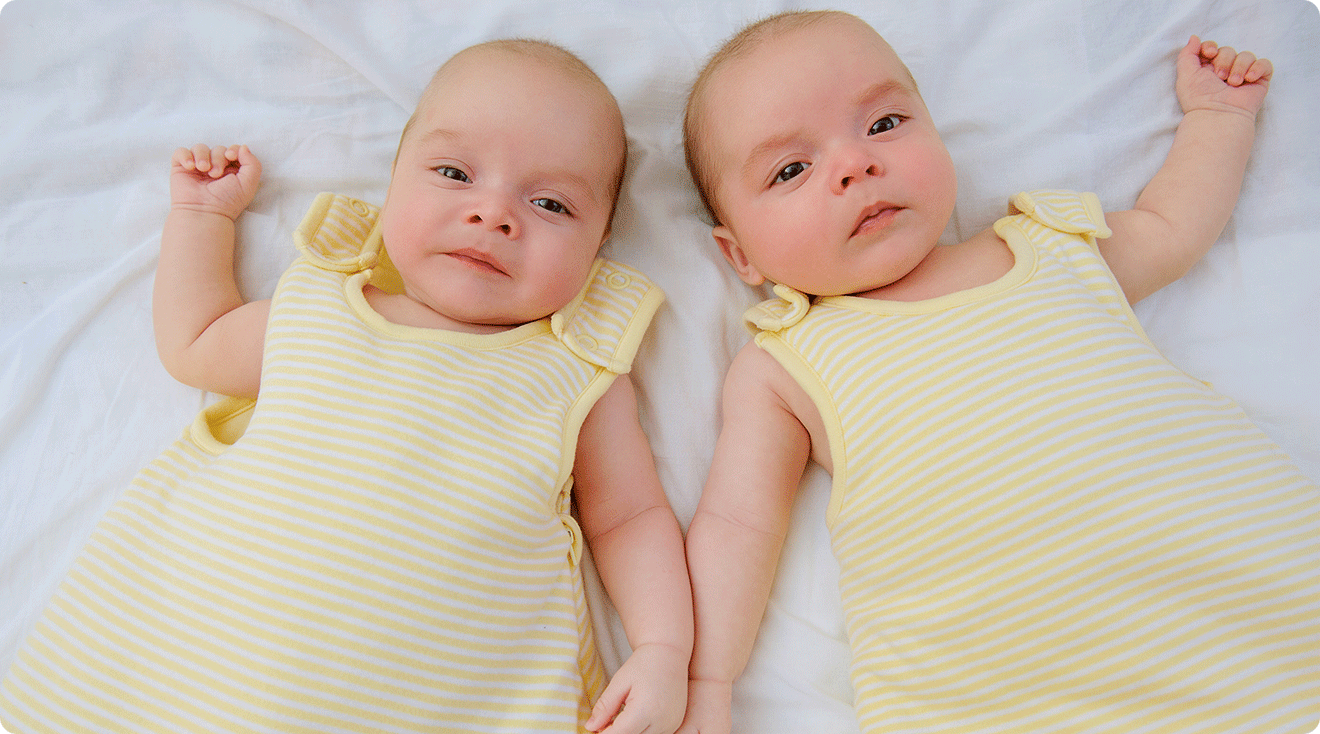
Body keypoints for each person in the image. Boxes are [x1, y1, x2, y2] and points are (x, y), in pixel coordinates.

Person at [0, 39, 692, 734]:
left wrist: (664, 649)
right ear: (392, 183)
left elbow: (629, 519)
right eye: (454, 172)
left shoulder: (576, 374)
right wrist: (203, 219)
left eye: (550, 203)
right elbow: (197, 338)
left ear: (600, 245)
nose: (493, 214)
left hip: (432, 699)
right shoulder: (320, 312)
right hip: (198, 670)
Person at [679, 10, 1319, 734]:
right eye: (791, 169)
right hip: (1002, 689)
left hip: (1243, 600)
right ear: (742, 259)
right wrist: (705, 676)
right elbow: (736, 525)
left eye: (884, 123)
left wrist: (1218, 116)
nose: (855, 165)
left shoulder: (1050, 248)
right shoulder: (785, 363)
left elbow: (1173, 226)